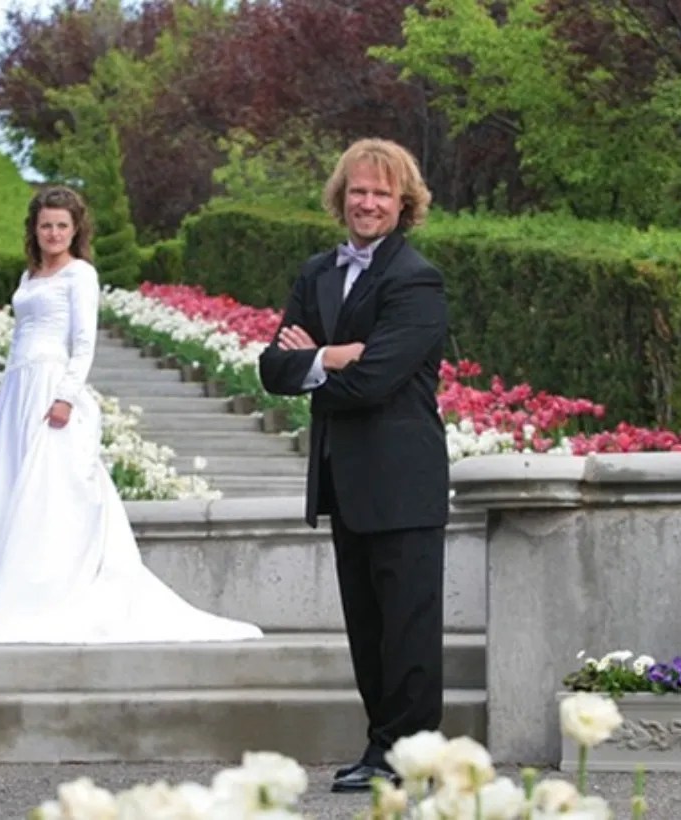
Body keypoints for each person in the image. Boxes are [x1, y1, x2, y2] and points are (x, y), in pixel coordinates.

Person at [0, 187, 262, 645]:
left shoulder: (80, 275)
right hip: (18, 387)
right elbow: (18, 341)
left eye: (62, 226)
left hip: (52, 385)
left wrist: (66, 396)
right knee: (6, 488)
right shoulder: (30, 275)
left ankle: (44, 592)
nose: (53, 233)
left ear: (75, 230)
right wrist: (4, 399)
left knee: (50, 489)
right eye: (46, 225)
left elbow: (84, 342)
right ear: (35, 228)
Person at [258, 139, 449, 792]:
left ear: (404, 204)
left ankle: (410, 760)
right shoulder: (316, 273)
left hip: (403, 482)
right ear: (341, 197)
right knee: (368, 631)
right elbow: (271, 368)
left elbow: (374, 385)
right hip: (345, 481)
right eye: (358, 191)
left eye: (382, 193)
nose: (368, 203)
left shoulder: (415, 279)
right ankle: (381, 751)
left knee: (408, 633)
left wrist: (317, 359)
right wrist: (336, 357)